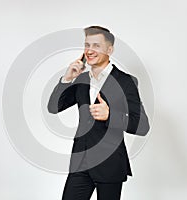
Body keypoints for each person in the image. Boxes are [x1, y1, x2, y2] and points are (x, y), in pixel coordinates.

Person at [47, 26, 150, 200]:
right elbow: (54, 107)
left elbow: (142, 126)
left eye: (96, 45)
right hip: (80, 163)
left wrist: (111, 115)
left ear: (109, 50)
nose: (90, 50)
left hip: (109, 165)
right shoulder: (81, 79)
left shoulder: (126, 82)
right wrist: (67, 79)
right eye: (87, 45)